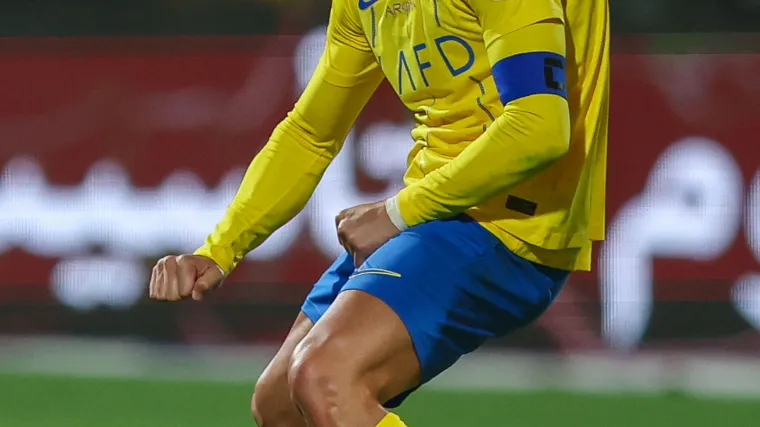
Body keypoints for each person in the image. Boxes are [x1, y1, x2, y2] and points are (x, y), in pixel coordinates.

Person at [149, 0, 610, 425]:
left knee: (326, 376)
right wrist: (218, 249)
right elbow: (311, 132)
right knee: (279, 406)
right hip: (439, 212)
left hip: (515, 223)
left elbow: (540, 127)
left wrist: (398, 212)